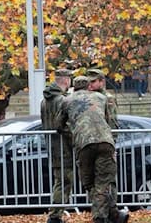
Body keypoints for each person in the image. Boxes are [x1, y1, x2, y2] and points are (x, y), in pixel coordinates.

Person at [57, 69, 128, 223]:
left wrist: (73, 131)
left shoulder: (67, 100)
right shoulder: (101, 98)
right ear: (88, 85)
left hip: (83, 145)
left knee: (89, 183)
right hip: (105, 142)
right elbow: (109, 121)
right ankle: (113, 214)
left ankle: (101, 217)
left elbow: (59, 125)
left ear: (74, 86)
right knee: (103, 183)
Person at [40, 68, 73, 223]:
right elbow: (65, 125)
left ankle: (56, 214)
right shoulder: (62, 101)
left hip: (52, 146)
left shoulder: (44, 101)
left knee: (59, 181)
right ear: (66, 80)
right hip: (63, 147)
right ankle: (55, 216)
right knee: (63, 182)